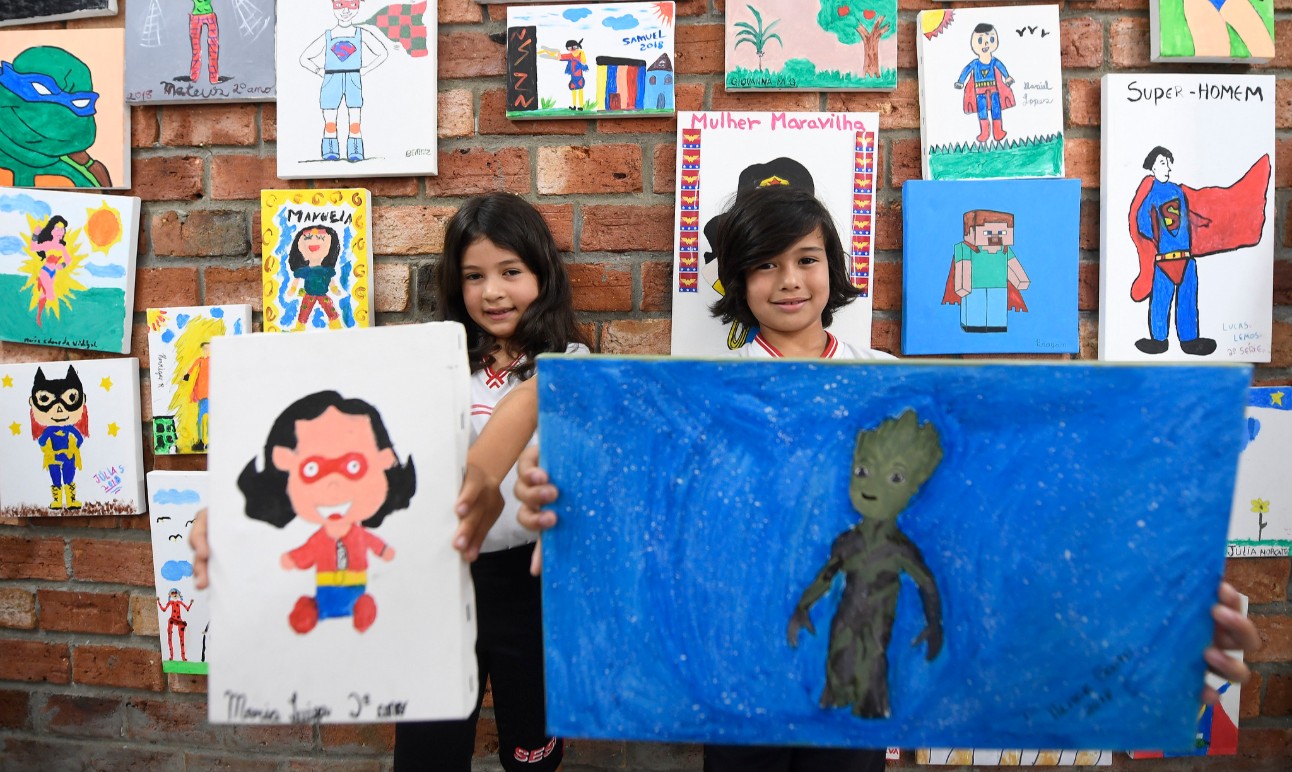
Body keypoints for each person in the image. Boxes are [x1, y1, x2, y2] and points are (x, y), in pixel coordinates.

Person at [512, 186, 1263, 770]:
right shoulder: (704, 395)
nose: (788, 280)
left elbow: (968, 532)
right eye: (764, 265)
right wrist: (568, 494)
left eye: (805, 258)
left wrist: (1162, 592)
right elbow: (649, 507)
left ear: (833, 267)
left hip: (866, 673)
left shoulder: (896, 389)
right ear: (738, 282)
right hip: (743, 679)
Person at [954, 23, 1015, 144]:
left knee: (996, 110)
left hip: (994, 90)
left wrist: (1007, 77)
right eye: (980, 40)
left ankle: (998, 132)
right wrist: (960, 82)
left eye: (990, 39)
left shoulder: (994, 62)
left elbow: (1002, 68)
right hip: (979, 92)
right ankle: (984, 132)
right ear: (973, 44)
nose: (985, 44)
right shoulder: (975, 64)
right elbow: (966, 71)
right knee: (982, 111)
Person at [30, 215, 70, 328]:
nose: (59, 231)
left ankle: (38, 316)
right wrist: (35, 235)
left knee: (44, 296)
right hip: (45, 272)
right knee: (51, 295)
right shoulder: (47, 244)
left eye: (62, 229)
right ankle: (47, 317)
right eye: (57, 228)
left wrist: (62, 265)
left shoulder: (62, 247)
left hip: (53, 274)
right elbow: (33, 248)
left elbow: (68, 259)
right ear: (51, 230)